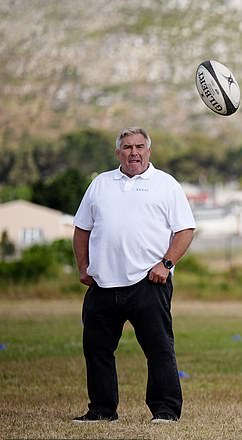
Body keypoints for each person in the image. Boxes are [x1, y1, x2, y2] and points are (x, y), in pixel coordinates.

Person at [72, 127, 196, 423]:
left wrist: (165, 265)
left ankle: (165, 410)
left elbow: (185, 230)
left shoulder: (165, 184)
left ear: (148, 151)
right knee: (97, 350)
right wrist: (83, 267)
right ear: (118, 153)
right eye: (127, 147)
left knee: (159, 349)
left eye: (140, 146)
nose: (134, 152)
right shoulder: (101, 184)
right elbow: (81, 229)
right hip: (103, 284)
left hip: (149, 283)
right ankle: (102, 410)